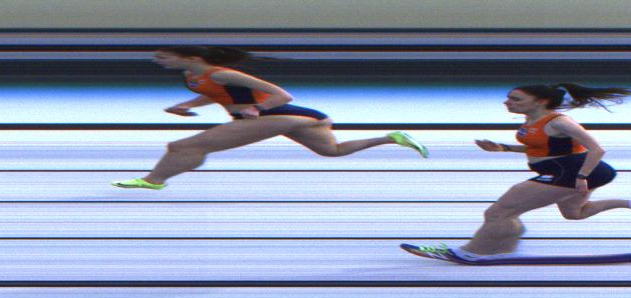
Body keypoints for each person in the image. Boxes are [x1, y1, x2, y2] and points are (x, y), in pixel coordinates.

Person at [402, 84, 631, 262]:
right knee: (574, 213)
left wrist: (581, 178)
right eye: (508, 98)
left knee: (499, 211)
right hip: (572, 170)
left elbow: (597, 149)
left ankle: (469, 252)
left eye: (516, 99)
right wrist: (504, 148)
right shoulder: (532, 120)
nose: (507, 102)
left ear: (540, 101)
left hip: (572, 171)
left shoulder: (559, 121)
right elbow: (542, 148)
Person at [111, 46, 423, 190]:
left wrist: (257, 110)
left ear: (191, 57)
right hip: (308, 119)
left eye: (164, 56)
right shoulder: (193, 77)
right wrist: (186, 105)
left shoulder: (221, 72)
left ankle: (153, 181)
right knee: (333, 151)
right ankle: (392, 137)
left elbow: (282, 95)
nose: (159, 61)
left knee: (184, 147)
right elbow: (216, 95)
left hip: (282, 114)